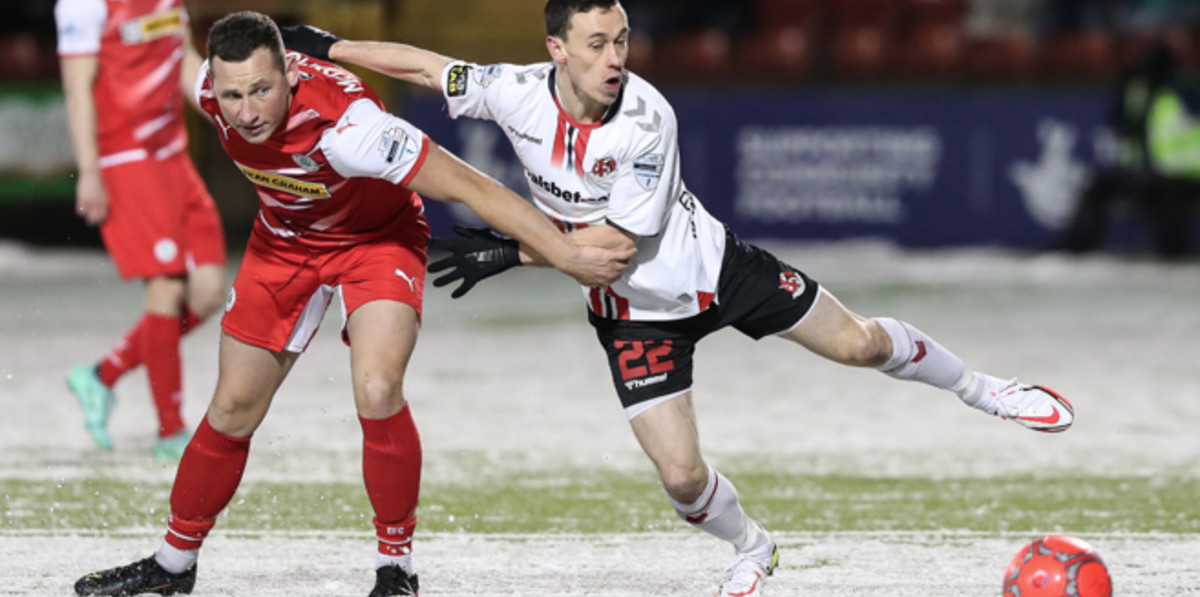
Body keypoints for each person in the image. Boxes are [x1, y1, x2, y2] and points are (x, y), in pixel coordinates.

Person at [283, 2, 1075, 595]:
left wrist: (508, 251)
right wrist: (325, 46)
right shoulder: (512, 91)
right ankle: (753, 546)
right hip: (634, 316)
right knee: (684, 479)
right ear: (556, 49)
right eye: (597, 43)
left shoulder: (646, 118)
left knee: (863, 343)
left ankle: (985, 388)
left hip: (714, 271)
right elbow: (427, 67)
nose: (615, 58)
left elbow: (611, 249)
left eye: (622, 39)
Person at [72, 10, 631, 597]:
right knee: (232, 407)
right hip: (284, 241)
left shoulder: (354, 129)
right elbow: (169, 60)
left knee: (377, 387)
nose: (247, 111)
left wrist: (567, 256)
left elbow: (476, 187)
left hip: (377, 240)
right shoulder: (213, 89)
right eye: (233, 95)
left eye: (262, 91)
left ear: (290, 73)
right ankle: (172, 565)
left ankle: (397, 570)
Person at [56, 0, 227, 460]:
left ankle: (102, 376)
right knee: (167, 287)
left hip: (172, 153)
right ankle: (171, 432)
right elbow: (77, 89)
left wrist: (230, 113)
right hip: (125, 158)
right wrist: (89, 171)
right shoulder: (84, 5)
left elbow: (184, 61)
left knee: (208, 291)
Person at [1059, 42, 1200, 256]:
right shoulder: (1140, 95)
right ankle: (1074, 249)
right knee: (1101, 184)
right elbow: (1119, 125)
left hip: (1188, 177)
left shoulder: (1185, 92)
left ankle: (1171, 253)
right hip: (1149, 173)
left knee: (1162, 191)